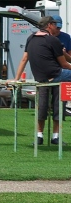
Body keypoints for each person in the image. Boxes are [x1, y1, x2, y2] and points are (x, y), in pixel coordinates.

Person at [13, 16, 71, 145]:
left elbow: (24, 59)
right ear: (49, 25)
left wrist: (16, 79)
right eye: (55, 25)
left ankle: (41, 136)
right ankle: (53, 136)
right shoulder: (53, 40)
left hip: (41, 78)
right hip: (56, 74)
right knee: (56, 105)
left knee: (45, 105)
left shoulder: (31, 38)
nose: (57, 28)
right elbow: (64, 64)